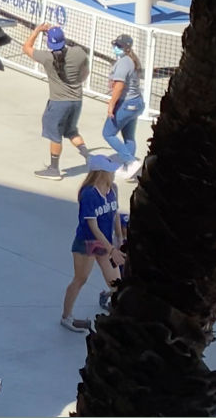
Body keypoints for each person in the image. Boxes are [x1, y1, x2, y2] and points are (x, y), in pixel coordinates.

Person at [61, 156, 124, 333]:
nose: (114, 173)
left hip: (105, 243)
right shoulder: (89, 194)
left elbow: (115, 213)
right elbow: (92, 226)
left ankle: (106, 297)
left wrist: (119, 238)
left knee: (117, 282)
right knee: (80, 279)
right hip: (87, 242)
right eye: (111, 171)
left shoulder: (113, 189)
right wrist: (111, 250)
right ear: (102, 173)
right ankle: (66, 317)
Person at [24, 23, 91, 178]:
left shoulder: (47, 58)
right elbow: (85, 73)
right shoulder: (79, 53)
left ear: (50, 42)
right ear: (64, 39)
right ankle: (89, 157)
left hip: (58, 103)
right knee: (71, 131)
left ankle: (54, 169)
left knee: (55, 135)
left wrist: (37, 31)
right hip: (77, 101)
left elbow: (26, 48)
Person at [104, 34, 147, 178]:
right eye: (115, 45)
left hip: (126, 104)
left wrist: (111, 104)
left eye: (119, 46)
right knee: (128, 136)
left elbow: (119, 87)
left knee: (108, 133)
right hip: (136, 103)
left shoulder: (124, 63)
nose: (116, 48)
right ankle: (129, 168)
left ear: (126, 48)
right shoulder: (132, 61)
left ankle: (130, 161)